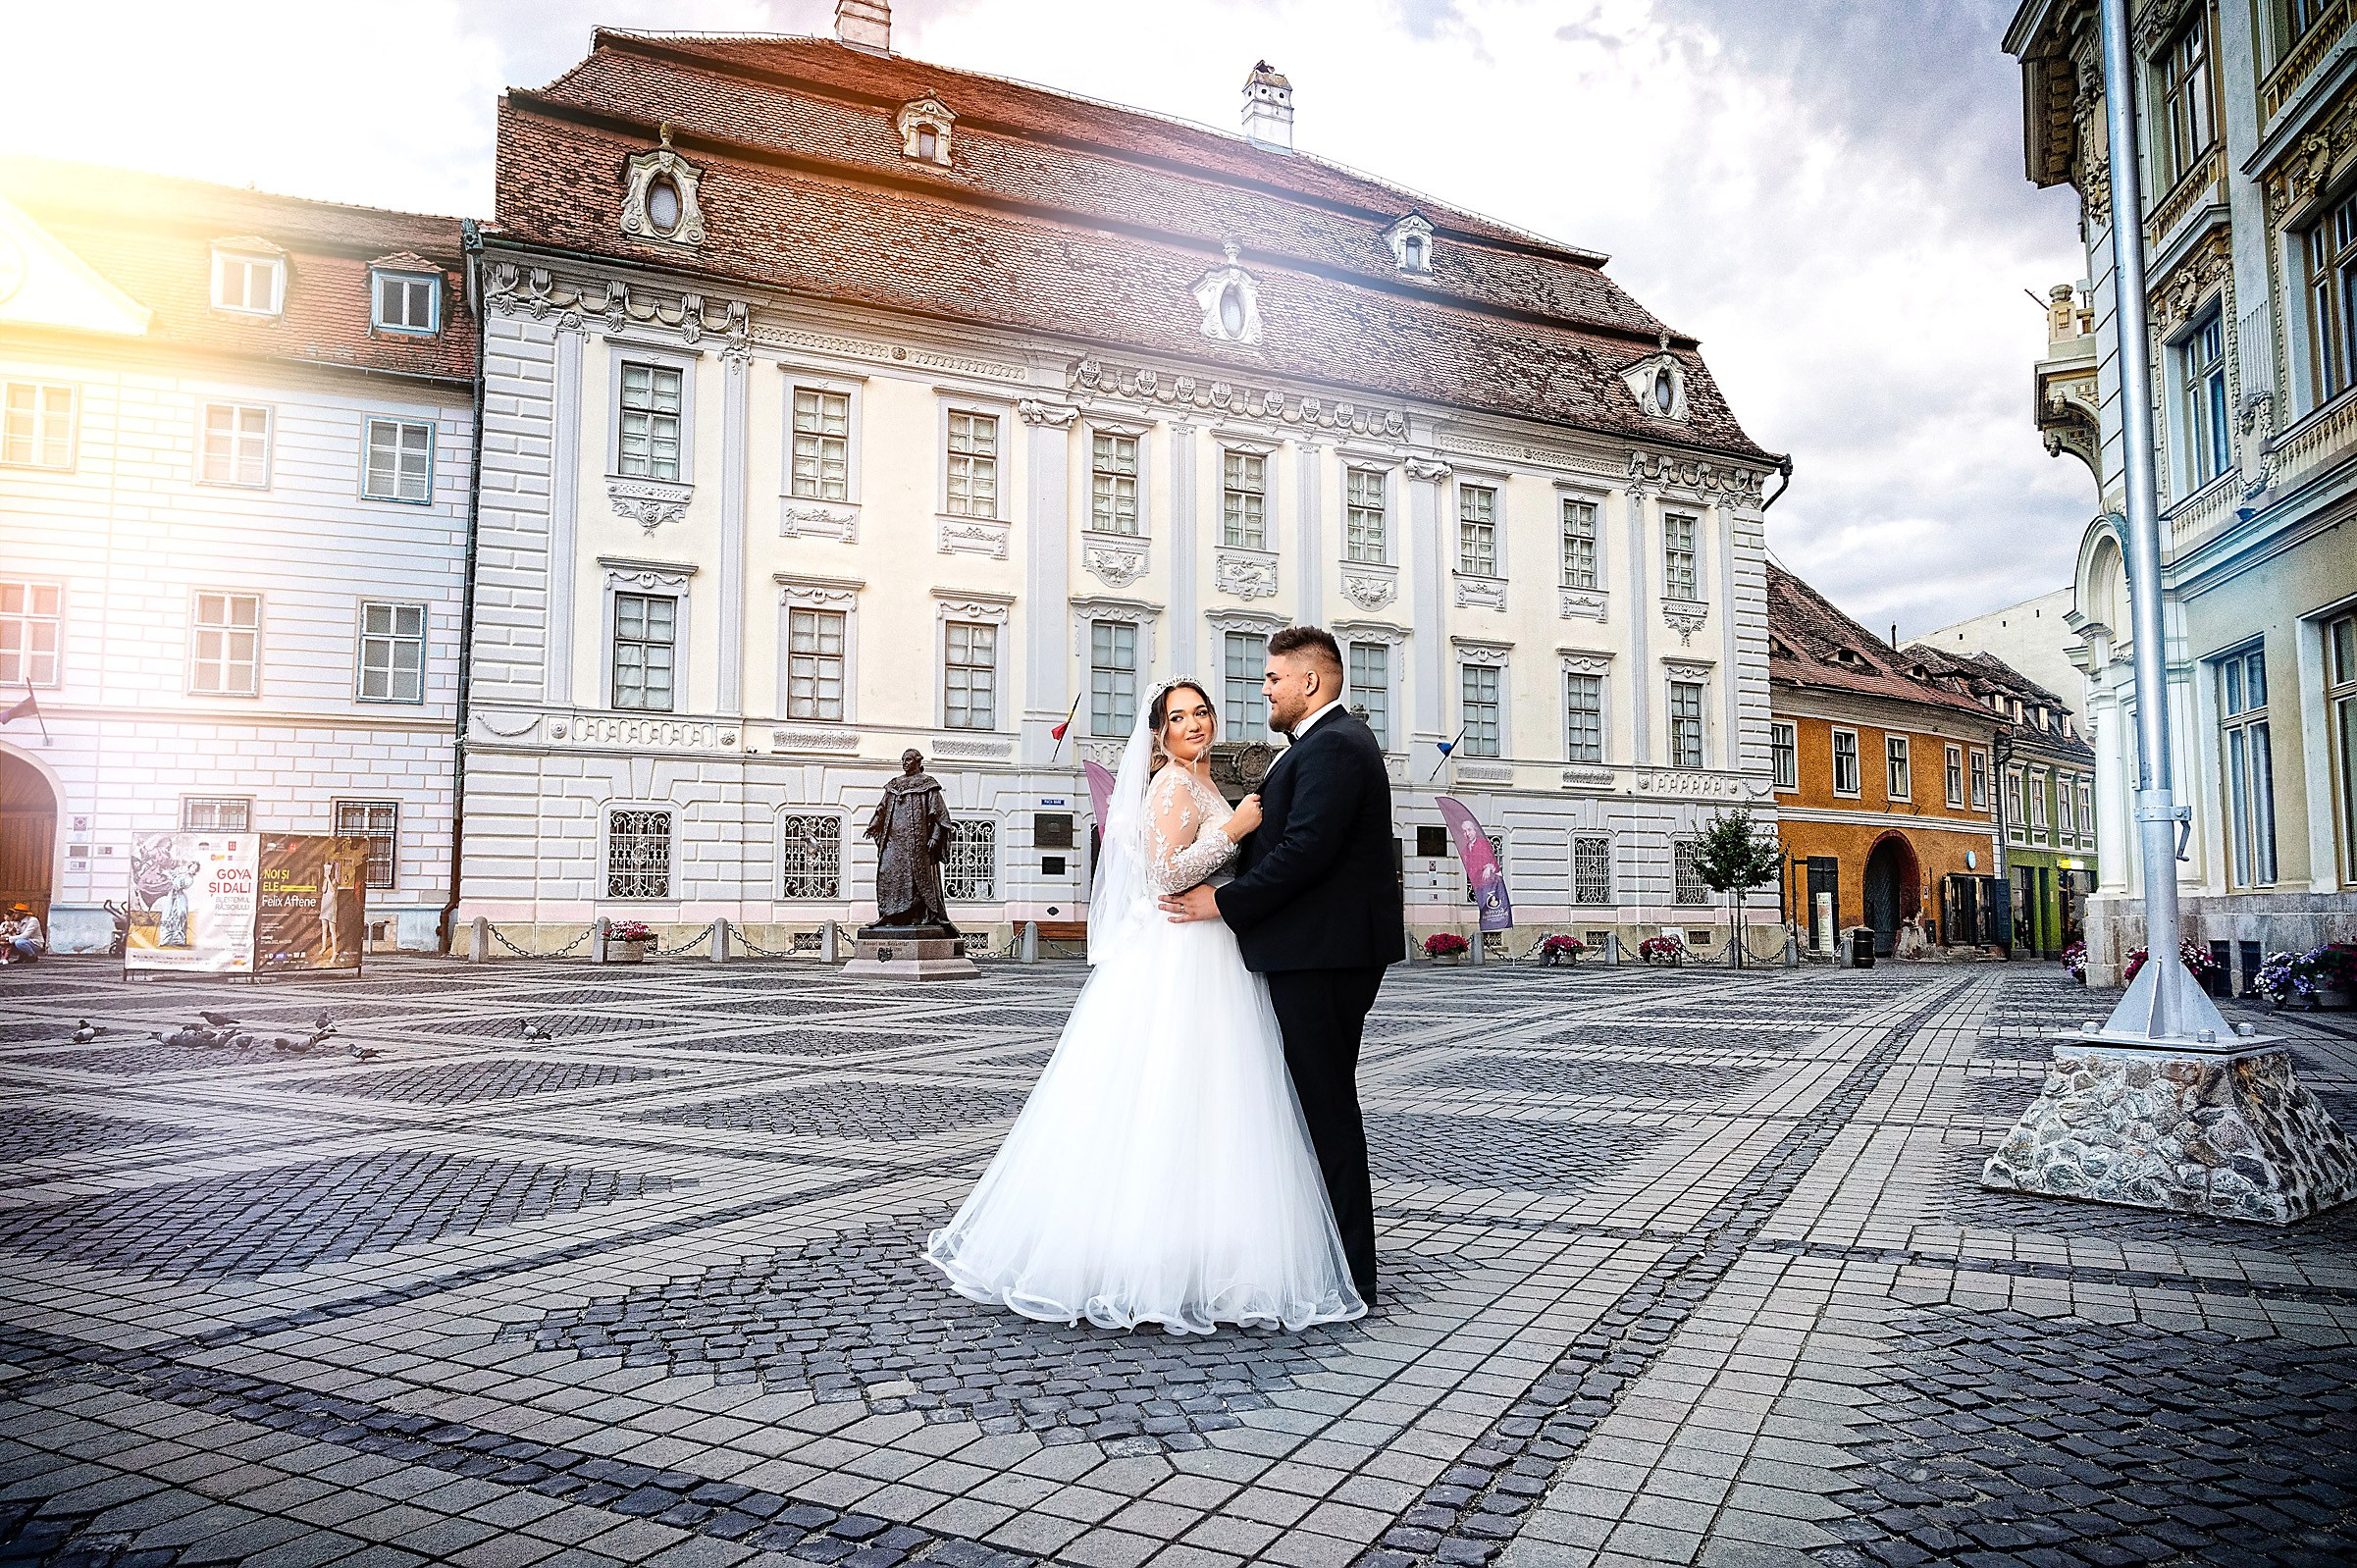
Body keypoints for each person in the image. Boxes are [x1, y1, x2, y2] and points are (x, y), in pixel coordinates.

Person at [924, 678, 1364, 1333]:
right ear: (1157, 734)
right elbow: (1164, 875)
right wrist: (1237, 829)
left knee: (1217, 1103)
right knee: (1168, 1091)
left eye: (1201, 712)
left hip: (1215, 951)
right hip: (1182, 954)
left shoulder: (1206, 783)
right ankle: (1147, 1251)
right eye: (1178, 717)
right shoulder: (1172, 786)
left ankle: (1205, 1244)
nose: (1194, 724)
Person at [1159, 626, 1402, 1306]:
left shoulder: (1336, 747)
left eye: (1272, 677)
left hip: (1322, 955)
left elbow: (1306, 851)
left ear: (1311, 683)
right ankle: (1325, 1251)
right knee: (1308, 1103)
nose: (1262, 687)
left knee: (1324, 1106)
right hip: (1314, 948)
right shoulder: (1324, 745)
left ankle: (1351, 1271)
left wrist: (1224, 903)